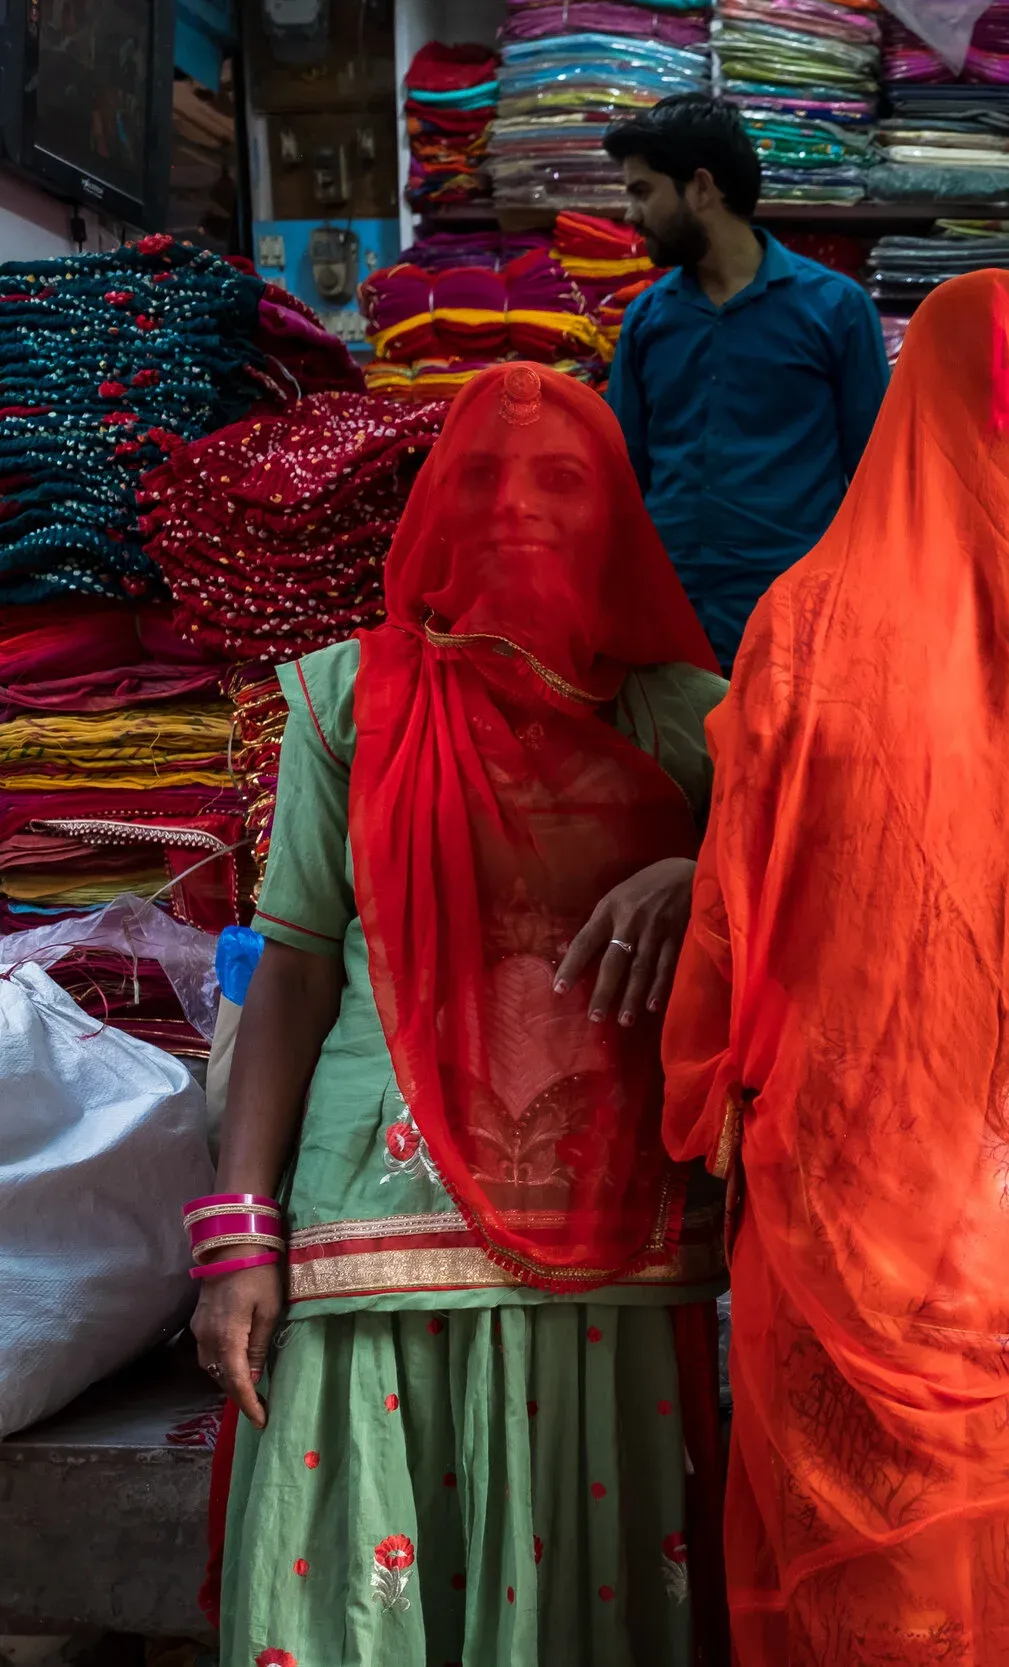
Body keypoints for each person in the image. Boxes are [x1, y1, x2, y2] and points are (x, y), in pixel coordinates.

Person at [658, 269, 1009, 1662]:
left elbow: (737, 919)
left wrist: (705, 1097)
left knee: (855, 1591)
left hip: (846, 1201)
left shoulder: (800, 633)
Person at [195, 363, 734, 1667]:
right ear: (438, 505)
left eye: (560, 478)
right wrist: (237, 1226)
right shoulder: (351, 698)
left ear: (614, 506)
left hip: (607, 1232)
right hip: (368, 1222)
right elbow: (297, 962)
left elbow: (804, 911)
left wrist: (704, 878)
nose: (519, 508)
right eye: (484, 477)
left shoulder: (697, 723)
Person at [600, 93, 889, 666]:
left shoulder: (835, 308)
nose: (629, 215)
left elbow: (876, 474)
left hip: (797, 624)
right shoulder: (647, 319)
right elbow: (622, 474)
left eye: (642, 191)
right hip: (671, 619)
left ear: (701, 188)